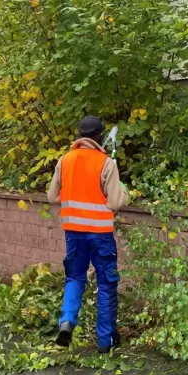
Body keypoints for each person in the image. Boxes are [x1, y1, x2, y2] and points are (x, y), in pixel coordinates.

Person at [47, 116, 129, 353]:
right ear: (99, 137)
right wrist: (125, 192)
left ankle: (67, 321)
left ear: (80, 135)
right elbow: (114, 202)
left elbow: (53, 197)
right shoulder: (106, 163)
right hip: (100, 235)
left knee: (75, 277)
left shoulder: (65, 160)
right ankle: (106, 340)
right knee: (105, 283)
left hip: (73, 233)